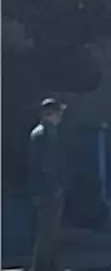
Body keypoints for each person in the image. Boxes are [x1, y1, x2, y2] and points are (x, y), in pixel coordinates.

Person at [28, 98, 66, 271]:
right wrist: (55, 188)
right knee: (49, 233)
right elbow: (48, 165)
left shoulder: (37, 133)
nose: (61, 116)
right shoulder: (48, 133)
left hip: (39, 190)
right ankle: (44, 268)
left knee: (46, 232)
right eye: (59, 112)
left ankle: (48, 267)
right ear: (52, 114)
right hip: (48, 191)